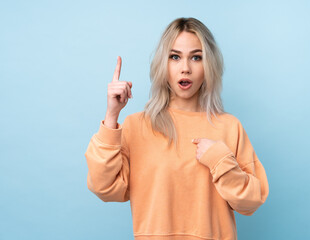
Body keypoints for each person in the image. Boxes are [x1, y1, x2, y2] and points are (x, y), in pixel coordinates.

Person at [85, 17, 269, 240]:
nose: (185, 68)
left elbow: (251, 202)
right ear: (163, 63)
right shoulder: (136, 126)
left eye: (196, 57)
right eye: (175, 57)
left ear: (208, 64)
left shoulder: (230, 127)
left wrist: (219, 160)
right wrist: (112, 115)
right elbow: (104, 188)